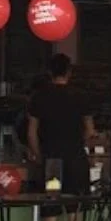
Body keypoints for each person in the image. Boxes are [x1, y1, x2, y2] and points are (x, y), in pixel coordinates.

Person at [27, 54, 94, 195]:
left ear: (49, 72)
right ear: (69, 72)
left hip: (51, 160)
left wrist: (38, 155)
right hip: (76, 158)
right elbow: (90, 130)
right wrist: (81, 144)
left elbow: (31, 133)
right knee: (76, 205)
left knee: (51, 203)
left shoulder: (39, 97)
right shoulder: (80, 96)